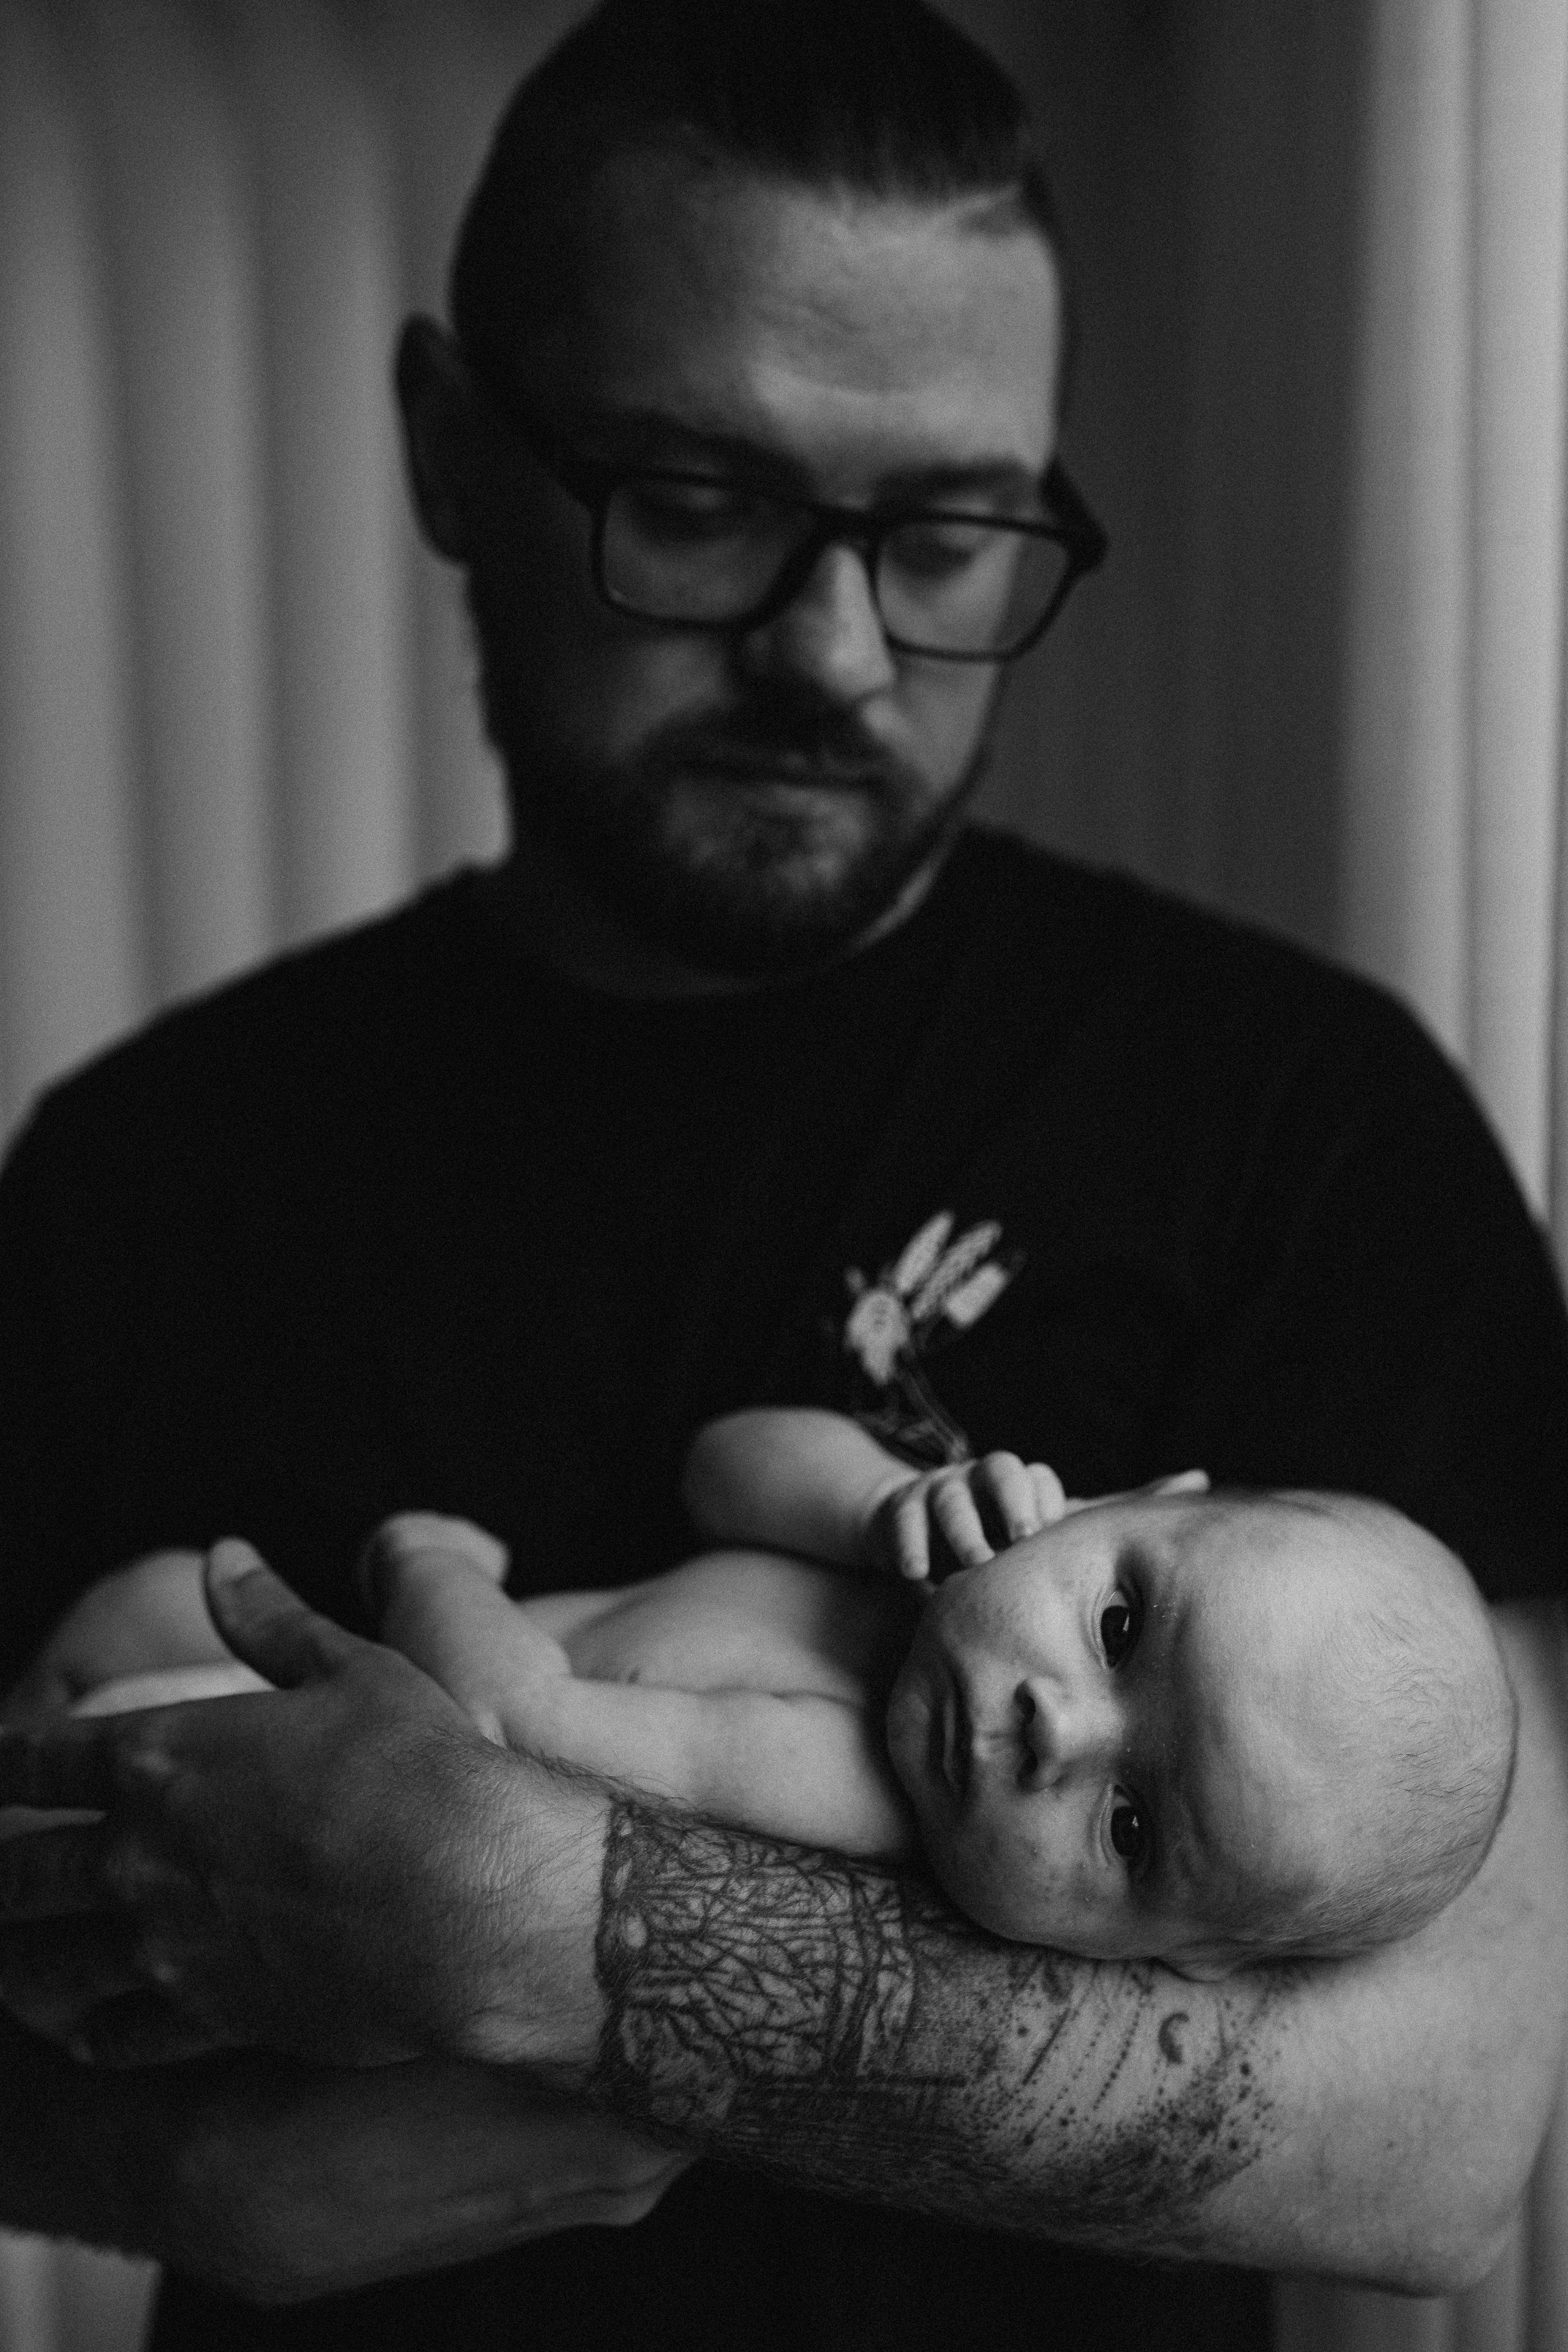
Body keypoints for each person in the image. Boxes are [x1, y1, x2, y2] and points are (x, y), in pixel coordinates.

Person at [0, 2, 1566, 2348]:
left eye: (948, 530)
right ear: (450, 447)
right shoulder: (148, 1169)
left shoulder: (1292, 1112)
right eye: (700, 504)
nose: (833, 650)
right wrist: (175, 2173)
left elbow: (1448, 2132)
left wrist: (557, 1940)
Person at [12, 1412, 1518, 1981]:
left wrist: (423, 1562)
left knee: (125, 1699)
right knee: (125, 1620)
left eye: (1131, 1829)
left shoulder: (838, 1787)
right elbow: (717, 1466)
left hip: (340, 1736)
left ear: (1171, 1960)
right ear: (1139, 1494)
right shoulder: (939, 1557)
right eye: (1121, 1621)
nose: (1058, 1725)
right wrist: (871, 1496)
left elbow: (507, 1730)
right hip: (291, 1697)